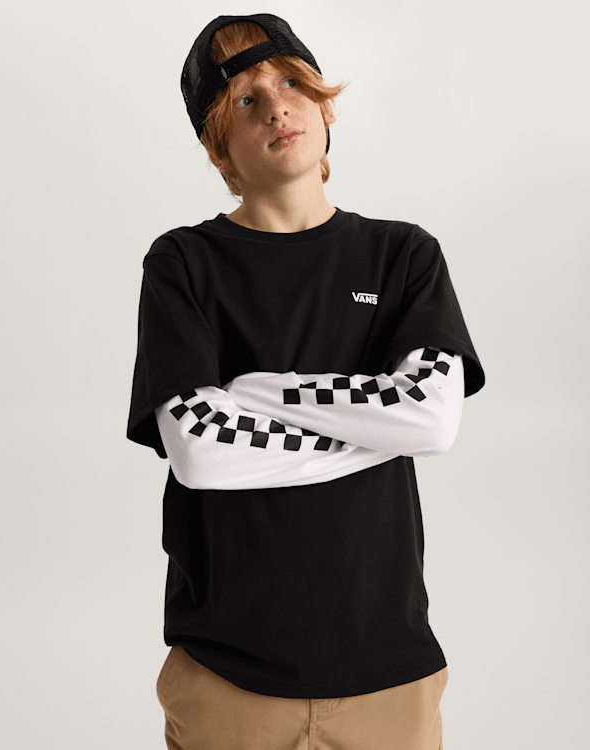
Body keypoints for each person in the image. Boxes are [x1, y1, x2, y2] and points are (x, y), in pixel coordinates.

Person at [126, 13, 486, 750]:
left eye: (291, 83)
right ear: (216, 145)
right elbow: (201, 451)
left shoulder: (403, 255)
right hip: (226, 678)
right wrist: (378, 425)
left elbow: (430, 418)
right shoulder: (183, 263)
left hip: (391, 678)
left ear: (324, 107)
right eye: (246, 99)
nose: (277, 106)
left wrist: (254, 392)